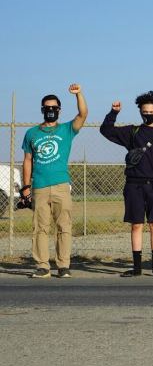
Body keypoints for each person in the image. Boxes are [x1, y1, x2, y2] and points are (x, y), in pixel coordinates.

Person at [100, 91, 153, 277]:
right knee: (136, 225)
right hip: (134, 185)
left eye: (151, 111)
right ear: (140, 112)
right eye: (145, 111)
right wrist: (113, 113)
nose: (148, 114)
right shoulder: (133, 132)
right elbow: (106, 130)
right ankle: (137, 267)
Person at [21, 84, 87, 278]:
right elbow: (27, 161)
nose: (50, 111)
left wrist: (78, 94)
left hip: (61, 185)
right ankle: (42, 266)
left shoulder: (67, 129)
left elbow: (83, 114)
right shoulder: (32, 133)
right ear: (42, 110)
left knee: (64, 226)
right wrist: (26, 187)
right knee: (40, 228)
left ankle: (63, 265)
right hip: (39, 187)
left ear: (59, 110)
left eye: (54, 108)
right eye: (47, 108)